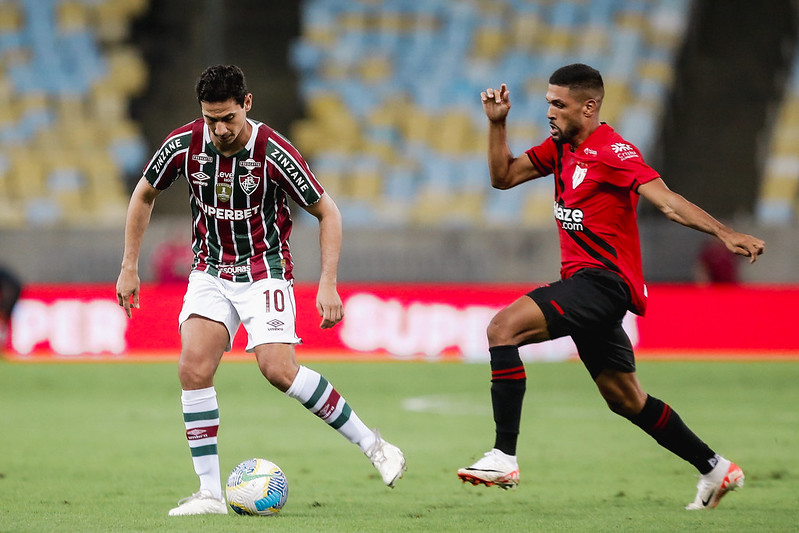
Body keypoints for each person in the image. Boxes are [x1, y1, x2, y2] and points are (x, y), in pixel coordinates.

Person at [457, 64, 764, 510]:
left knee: (502, 329)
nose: (550, 112)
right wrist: (497, 124)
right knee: (626, 399)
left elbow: (668, 202)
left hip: (604, 284)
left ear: (589, 106)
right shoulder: (560, 148)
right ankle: (716, 468)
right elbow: (503, 177)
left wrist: (724, 233)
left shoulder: (614, 152)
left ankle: (504, 456)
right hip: (583, 286)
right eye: (548, 103)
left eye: (558, 104)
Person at [116, 65, 405, 516]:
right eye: (211, 119)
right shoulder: (184, 144)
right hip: (210, 270)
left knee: (278, 370)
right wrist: (129, 266)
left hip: (263, 270)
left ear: (247, 104)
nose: (219, 129)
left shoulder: (274, 151)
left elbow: (327, 212)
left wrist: (328, 282)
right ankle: (210, 494)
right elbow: (143, 194)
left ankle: (375, 446)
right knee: (192, 368)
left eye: (228, 118)